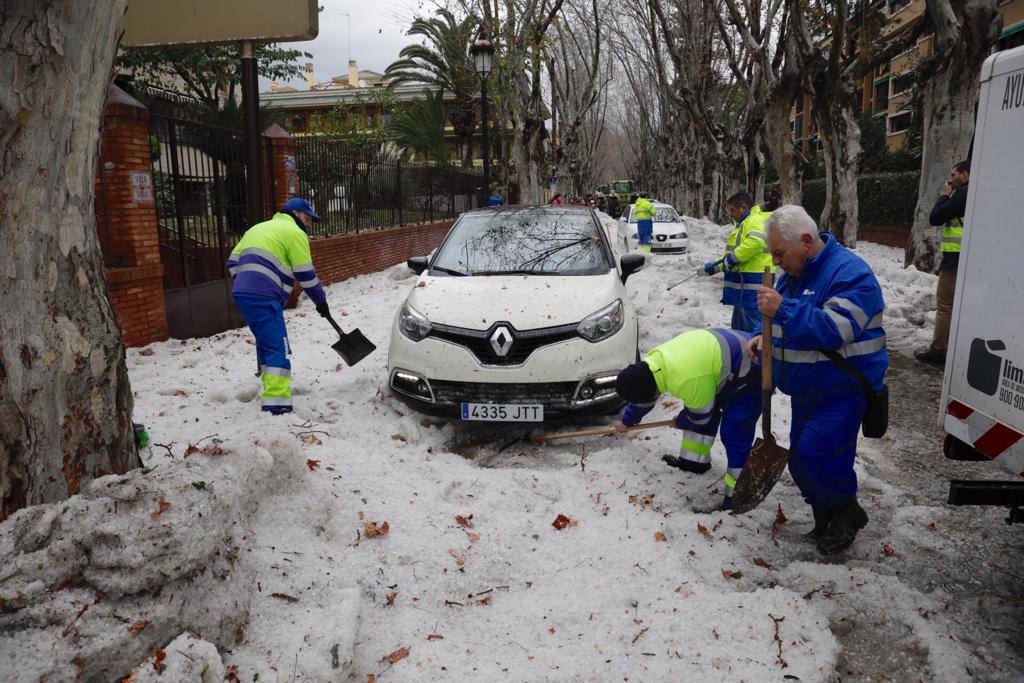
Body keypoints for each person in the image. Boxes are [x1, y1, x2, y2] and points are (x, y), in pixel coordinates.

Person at [747, 205, 888, 555]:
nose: (776, 261)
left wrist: (781, 309)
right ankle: (825, 519)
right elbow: (781, 321)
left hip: (842, 390)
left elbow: (834, 330)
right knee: (799, 461)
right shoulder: (794, 274)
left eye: (779, 252)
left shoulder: (851, 274)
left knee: (816, 454)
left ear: (806, 242)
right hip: (807, 391)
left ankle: (846, 513)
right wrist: (761, 336)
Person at [615, 328, 762, 511]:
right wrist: (627, 421)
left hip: (754, 368)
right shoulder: (652, 364)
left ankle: (739, 494)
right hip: (717, 368)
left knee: (734, 432)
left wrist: (681, 421)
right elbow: (644, 398)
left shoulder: (687, 380)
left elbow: (700, 417)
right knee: (698, 404)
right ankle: (694, 463)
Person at [227, 198, 329, 415]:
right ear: (297, 214)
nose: (309, 225)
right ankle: (277, 406)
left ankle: (269, 388)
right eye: (308, 219)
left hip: (242, 292)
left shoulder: (258, 228)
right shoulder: (295, 233)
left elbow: (232, 262)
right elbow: (306, 275)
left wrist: (246, 282)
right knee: (278, 347)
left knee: (266, 341)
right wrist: (321, 301)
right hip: (263, 296)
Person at [915, 160, 970, 367]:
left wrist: (945, 195)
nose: (951, 179)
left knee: (945, 305)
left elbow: (936, 218)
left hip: (955, 259)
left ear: (965, 174)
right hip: (967, 258)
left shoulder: (962, 194)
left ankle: (939, 351)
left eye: (954, 175)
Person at [700, 192, 773, 332]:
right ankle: (743, 351)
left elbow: (755, 242)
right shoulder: (744, 224)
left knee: (754, 328)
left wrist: (733, 259)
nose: (731, 214)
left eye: (733, 210)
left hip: (754, 282)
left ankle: (758, 353)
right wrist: (715, 267)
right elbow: (732, 255)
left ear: (743, 207)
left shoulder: (754, 220)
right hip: (744, 284)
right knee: (739, 328)